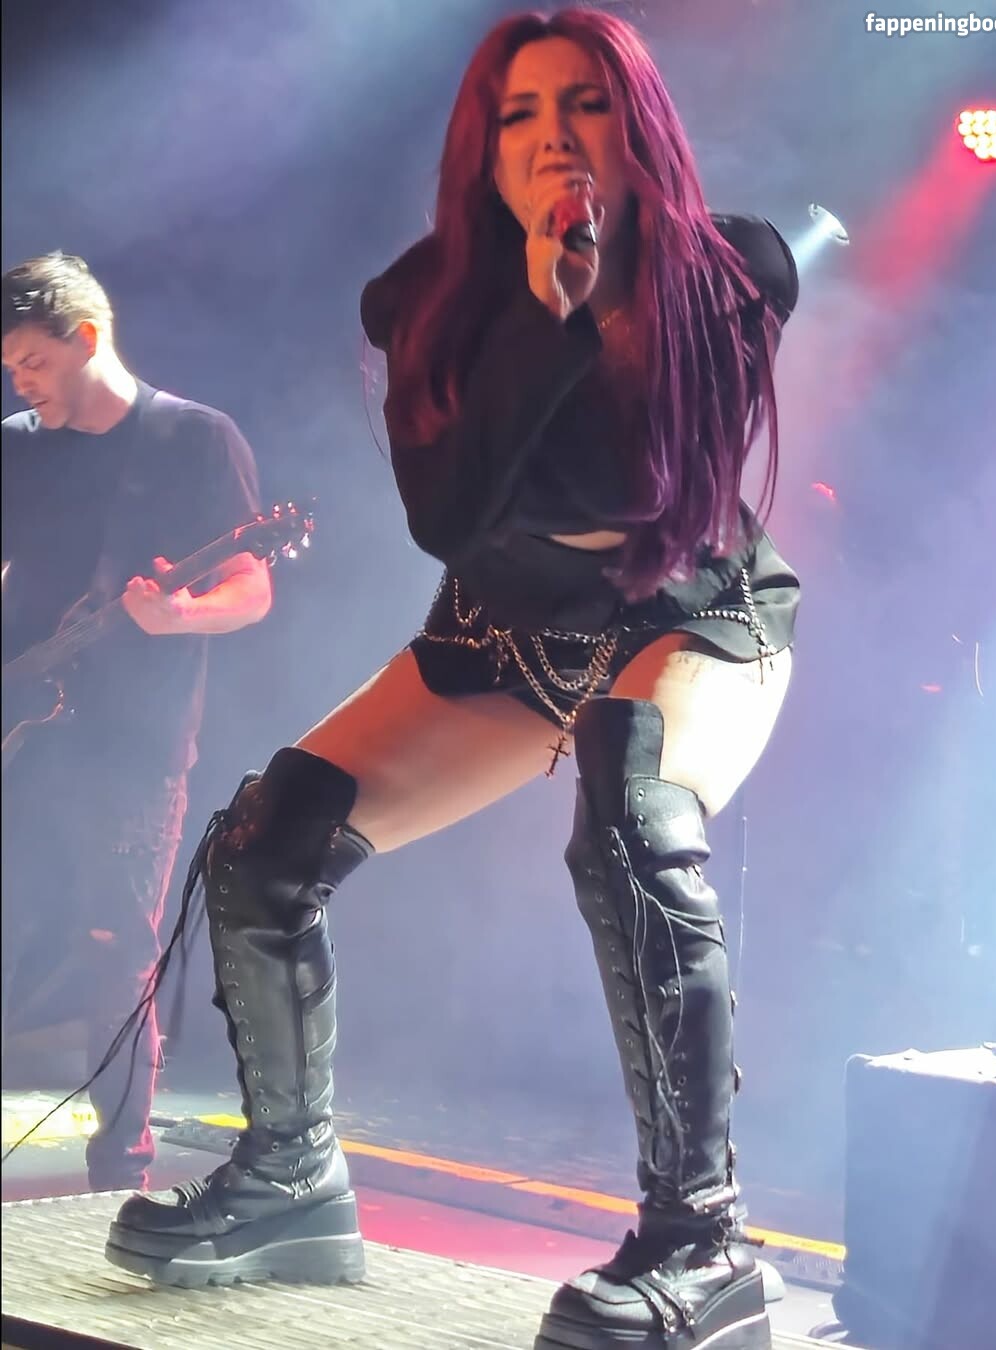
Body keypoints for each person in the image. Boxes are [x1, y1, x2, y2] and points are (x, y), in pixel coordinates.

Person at [106, 10, 799, 1348]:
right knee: (266, 841)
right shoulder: (423, 300)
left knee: (633, 821)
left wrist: (594, 306)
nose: (554, 140)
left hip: (690, 617)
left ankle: (702, 1243)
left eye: (586, 105)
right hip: (505, 632)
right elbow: (448, 513)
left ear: (639, 130)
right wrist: (541, 317)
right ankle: (291, 1179)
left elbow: (649, 489)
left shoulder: (734, 277)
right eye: (520, 114)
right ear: (484, 148)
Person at [1, 252, 273, 1192]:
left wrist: (181, 616)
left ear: (86, 338)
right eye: (11, 367)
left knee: (114, 947)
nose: (20, 382)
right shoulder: (16, 446)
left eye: (33, 361)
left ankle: (120, 1169)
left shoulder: (193, 439)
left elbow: (251, 585)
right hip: (20, 726)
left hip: (133, 742)